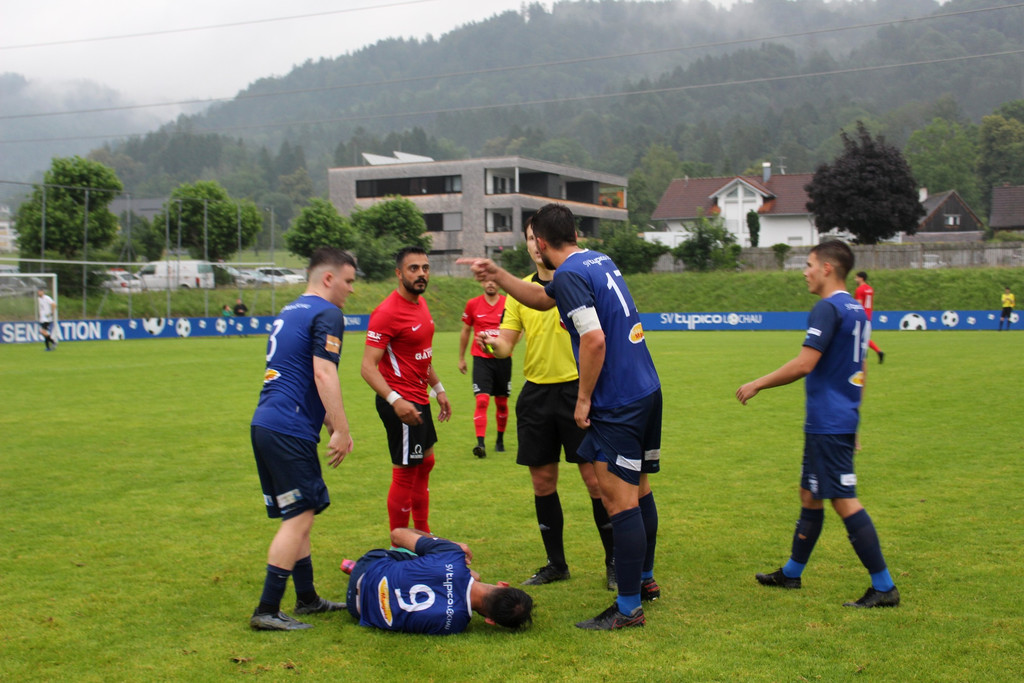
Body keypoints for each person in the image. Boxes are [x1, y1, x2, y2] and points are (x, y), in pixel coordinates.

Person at [460, 203, 662, 631]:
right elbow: (540, 297)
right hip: (647, 389)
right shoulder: (596, 260)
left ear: (541, 241)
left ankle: (628, 609)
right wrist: (499, 275)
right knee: (641, 489)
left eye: (533, 239)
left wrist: (584, 399)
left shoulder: (569, 274)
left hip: (618, 401)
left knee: (619, 500)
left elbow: (594, 340)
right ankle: (644, 580)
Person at [736, 240, 899, 609]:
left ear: (827, 268)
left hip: (829, 419)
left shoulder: (828, 308)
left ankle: (884, 586)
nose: (805, 272)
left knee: (843, 500)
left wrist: (758, 383)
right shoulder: (855, 309)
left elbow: (804, 364)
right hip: (837, 417)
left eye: (809, 265)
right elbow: (861, 367)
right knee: (810, 494)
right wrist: (855, 417)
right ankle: (792, 573)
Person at [482, 218, 615, 590]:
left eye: (537, 237)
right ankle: (556, 564)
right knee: (542, 483)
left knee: (595, 482)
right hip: (537, 395)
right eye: (528, 238)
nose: (534, 244)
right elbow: (507, 344)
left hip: (578, 389)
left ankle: (615, 562)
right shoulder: (520, 291)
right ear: (527, 244)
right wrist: (493, 343)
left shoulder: (576, 279)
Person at [248, 247, 358, 631]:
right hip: (288, 428)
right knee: (298, 517)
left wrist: (329, 423)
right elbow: (324, 373)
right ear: (328, 278)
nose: (351, 290)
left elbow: (301, 376)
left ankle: (307, 598)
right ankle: (267, 608)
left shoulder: (290, 310)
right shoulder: (328, 313)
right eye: (348, 281)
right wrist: (342, 429)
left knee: (299, 511)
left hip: (267, 422)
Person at [361, 246, 452, 534]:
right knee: (405, 473)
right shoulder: (386, 312)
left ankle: (423, 535)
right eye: (414, 268)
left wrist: (438, 388)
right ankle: (399, 546)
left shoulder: (421, 304)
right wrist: (395, 400)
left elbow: (421, 356)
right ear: (399, 273)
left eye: (425, 268)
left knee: (426, 464)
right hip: (400, 401)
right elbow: (367, 367)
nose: (421, 274)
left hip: (419, 398)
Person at [344, 527, 533, 635]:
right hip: (358, 609)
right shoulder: (456, 625)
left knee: (426, 560)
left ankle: (354, 568)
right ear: (490, 620)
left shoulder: (452, 554)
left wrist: (448, 543)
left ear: (503, 584)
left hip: (366, 569)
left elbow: (397, 534)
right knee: (436, 570)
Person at [458, 279, 510, 458]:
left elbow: (518, 330)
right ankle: (480, 444)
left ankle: (500, 441)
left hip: (503, 359)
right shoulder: (472, 304)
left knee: (501, 403)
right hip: (481, 360)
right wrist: (461, 358)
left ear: (499, 284)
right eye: (487, 281)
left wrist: (509, 346)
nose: (490, 284)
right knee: (481, 401)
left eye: (494, 281)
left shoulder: (508, 303)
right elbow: (466, 330)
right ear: (482, 284)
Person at [853, 271, 884, 363]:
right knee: (864, 337)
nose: (855, 279)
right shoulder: (870, 289)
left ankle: (862, 358)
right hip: (869, 315)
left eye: (856, 278)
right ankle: (878, 351)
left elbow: (859, 304)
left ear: (861, 278)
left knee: (859, 338)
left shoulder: (859, 289)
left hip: (861, 316)